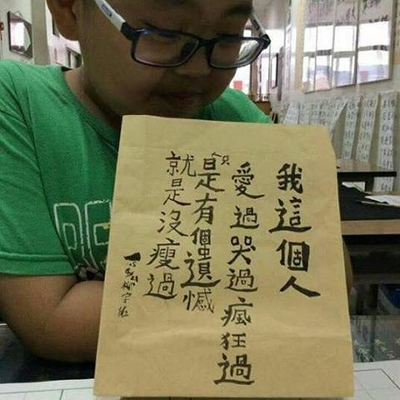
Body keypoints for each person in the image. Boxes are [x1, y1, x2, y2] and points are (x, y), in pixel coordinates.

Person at [0, 0, 352, 363]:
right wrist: (257, 301)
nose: (197, 69)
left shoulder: (237, 119)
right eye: (164, 34)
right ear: (69, 9)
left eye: (228, 36)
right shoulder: (19, 102)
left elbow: (325, 283)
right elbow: (52, 322)